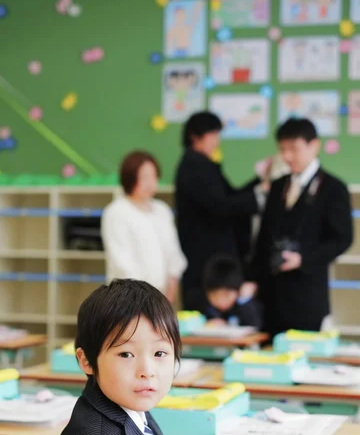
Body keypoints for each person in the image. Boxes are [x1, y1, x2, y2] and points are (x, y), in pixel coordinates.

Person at [42, 279, 180, 435]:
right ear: (86, 361)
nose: (147, 371)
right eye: (126, 354)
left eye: (160, 353)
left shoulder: (132, 406)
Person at [251, 118, 353, 336]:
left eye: (294, 149)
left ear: (314, 145)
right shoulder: (279, 185)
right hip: (271, 295)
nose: (287, 156)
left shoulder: (333, 188)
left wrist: (303, 258)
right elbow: (263, 237)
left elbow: (342, 238)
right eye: (282, 149)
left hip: (307, 294)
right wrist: (253, 278)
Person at [175, 110, 269, 311]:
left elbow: (231, 196)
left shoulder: (205, 165)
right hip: (205, 258)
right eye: (213, 135)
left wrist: (260, 181)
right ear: (195, 136)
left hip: (214, 255)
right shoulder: (194, 167)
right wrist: (259, 190)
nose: (217, 141)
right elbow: (222, 206)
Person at [102, 151, 187, 305]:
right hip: (128, 298)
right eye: (144, 177)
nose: (150, 183)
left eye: (154, 176)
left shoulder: (162, 210)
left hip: (162, 297)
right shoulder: (116, 212)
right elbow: (122, 262)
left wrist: (170, 290)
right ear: (130, 178)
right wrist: (144, 297)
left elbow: (174, 254)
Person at [200, 255, 262, 328]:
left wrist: (245, 299)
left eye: (226, 295)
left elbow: (256, 325)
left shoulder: (244, 305)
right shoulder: (207, 309)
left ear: (237, 290)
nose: (221, 301)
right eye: (215, 296)